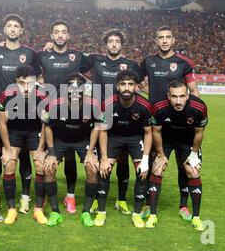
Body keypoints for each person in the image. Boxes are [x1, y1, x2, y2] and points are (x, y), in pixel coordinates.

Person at [139, 25, 199, 221]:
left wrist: (195, 116)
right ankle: (149, 204)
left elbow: (194, 92)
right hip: (156, 124)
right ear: (156, 41)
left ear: (173, 40)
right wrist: (149, 96)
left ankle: (183, 205)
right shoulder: (148, 61)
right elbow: (137, 80)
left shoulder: (184, 63)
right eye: (160, 37)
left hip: (182, 125)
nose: (164, 40)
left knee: (185, 166)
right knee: (155, 163)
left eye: (168, 37)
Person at [80, 28, 143, 215]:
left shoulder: (130, 64)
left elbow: (138, 86)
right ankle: (97, 200)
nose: (114, 44)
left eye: (117, 41)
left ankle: (121, 200)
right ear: (105, 44)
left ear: (121, 44)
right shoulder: (94, 60)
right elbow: (76, 63)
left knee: (123, 160)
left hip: (123, 116)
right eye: (110, 41)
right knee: (102, 159)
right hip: (100, 117)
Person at [0, 14, 43, 215]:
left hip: (27, 111)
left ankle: (26, 197)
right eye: (9, 25)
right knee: (3, 153)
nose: (12, 29)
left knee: (27, 156)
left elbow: (38, 76)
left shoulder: (30, 52)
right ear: (4, 29)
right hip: (1, 110)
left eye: (16, 26)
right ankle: (3, 197)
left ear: (21, 31)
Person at [37, 20, 90, 214]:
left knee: (69, 158)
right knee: (43, 157)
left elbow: (97, 68)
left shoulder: (77, 56)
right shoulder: (43, 55)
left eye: (63, 32)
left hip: (73, 113)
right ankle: (41, 199)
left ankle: (70, 197)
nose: (60, 35)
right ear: (51, 36)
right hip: (49, 113)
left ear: (69, 36)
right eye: (56, 32)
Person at [42, 74, 105, 227]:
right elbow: (48, 127)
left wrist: (90, 152)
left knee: (92, 168)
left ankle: (86, 212)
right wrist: (50, 153)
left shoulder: (94, 104)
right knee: (49, 168)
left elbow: (97, 127)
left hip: (82, 139)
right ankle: (55, 212)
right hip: (60, 139)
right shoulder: (55, 104)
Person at [147, 80, 207, 231]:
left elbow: (199, 133)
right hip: (165, 139)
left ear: (188, 95)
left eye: (182, 96)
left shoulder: (199, 107)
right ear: (168, 96)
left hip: (187, 140)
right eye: (174, 96)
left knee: (192, 171)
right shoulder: (159, 107)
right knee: (157, 169)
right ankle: (152, 214)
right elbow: (156, 132)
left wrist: (193, 154)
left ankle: (192, 214)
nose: (178, 101)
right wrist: (160, 155)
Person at [97, 70, 152, 227]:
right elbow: (103, 130)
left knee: (142, 172)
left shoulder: (144, 105)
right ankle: (101, 213)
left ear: (136, 86)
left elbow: (149, 133)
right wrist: (104, 158)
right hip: (114, 137)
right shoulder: (108, 103)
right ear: (117, 86)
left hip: (136, 138)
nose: (126, 88)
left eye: (130, 84)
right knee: (104, 170)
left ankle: (136, 214)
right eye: (123, 84)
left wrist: (146, 160)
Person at [0, 65, 47, 225]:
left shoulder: (43, 96)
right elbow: (2, 123)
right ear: (15, 82)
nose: (26, 88)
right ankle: (11, 210)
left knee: (40, 165)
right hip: (15, 130)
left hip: (34, 131)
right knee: (10, 164)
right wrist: (6, 149)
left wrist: (41, 149)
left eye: (30, 83)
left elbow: (45, 124)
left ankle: (38, 210)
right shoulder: (6, 95)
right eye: (21, 83)